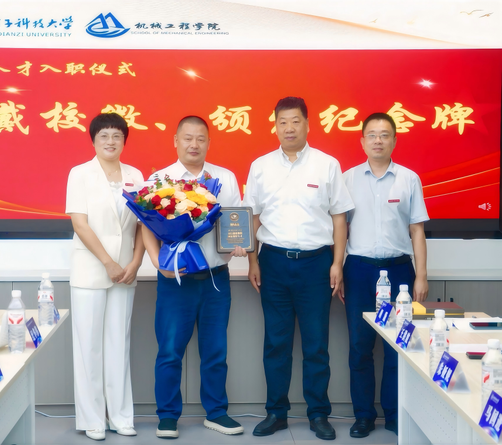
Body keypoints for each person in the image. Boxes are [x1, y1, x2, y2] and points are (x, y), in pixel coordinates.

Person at [243, 96, 354, 440]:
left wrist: (337, 263)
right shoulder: (260, 166)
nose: (288, 128)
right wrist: (252, 261)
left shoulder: (327, 164)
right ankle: (276, 413)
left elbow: (339, 219)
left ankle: (318, 414)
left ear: (307, 124)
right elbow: (252, 218)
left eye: (295, 121)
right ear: (275, 126)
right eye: (282, 122)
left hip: (316, 264)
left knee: (316, 345)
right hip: (273, 263)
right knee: (276, 344)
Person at [142, 115, 246, 439]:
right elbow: (146, 226)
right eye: (187, 138)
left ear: (209, 143)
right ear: (175, 140)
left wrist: (239, 243)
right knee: (170, 350)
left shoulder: (224, 178)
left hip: (216, 278)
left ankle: (216, 412)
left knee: (215, 351)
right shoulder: (160, 179)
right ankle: (167, 416)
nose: (194, 144)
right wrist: (157, 262)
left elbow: (236, 220)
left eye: (200, 139)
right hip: (175, 279)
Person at [343, 112, 429, 438]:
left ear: (394, 140)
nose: (378, 140)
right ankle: (364, 416)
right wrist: (338, 270)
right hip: (358, 270)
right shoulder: (347, 179)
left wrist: (422, 276)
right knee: (360, 347)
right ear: (362, 140)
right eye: (372, 134)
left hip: (399, 271)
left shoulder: (409, 179)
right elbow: (339, 229)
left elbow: (417, 230)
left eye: (384, 135)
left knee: (398, 348)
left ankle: (394, 415)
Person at [65, 113, 145, 441]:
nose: (110, 141)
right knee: (89, 347)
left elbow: (143, 223)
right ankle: (93, 419)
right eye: (104, 136)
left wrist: (136, 262)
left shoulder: (135, 175)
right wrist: (108, 262)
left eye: (117, 136)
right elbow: (80, 224)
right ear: (94, 140)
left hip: (125, 272)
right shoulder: (80, 174)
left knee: (118, 344)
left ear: (124, 140)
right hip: (91, 270)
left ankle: (121, 416)